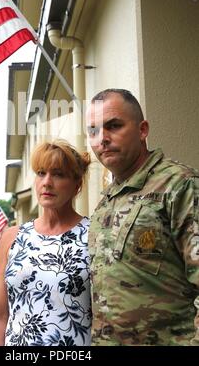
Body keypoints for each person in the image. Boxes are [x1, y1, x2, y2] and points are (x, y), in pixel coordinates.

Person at [86, 88, 199, 346]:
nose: (102, 138)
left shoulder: (179, 185)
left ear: (142, 130)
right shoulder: (107, 200)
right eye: (93, 131)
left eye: (113, 126)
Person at [0, 140, 92, 346]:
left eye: (58, 174)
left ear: (77, 185)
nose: (47, 182)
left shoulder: (94, 236)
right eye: (41, 173)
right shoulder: (12, 237)